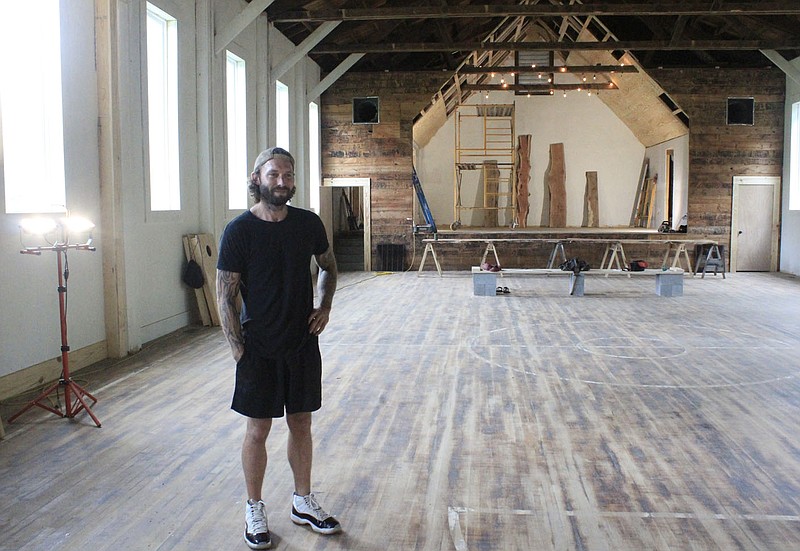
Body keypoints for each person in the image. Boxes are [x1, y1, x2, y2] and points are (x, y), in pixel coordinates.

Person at [216, 147, 341, 549]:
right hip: (259, 348)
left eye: (288, 174)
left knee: (301, 423)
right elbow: (224, 295)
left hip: (301, 343)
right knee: (258, 429)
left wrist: (324, 305)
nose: (282, 181)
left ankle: (302, 501)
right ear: (257, 179)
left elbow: (328, 265)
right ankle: (254, 507)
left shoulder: (307, 224)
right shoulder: (239, 231)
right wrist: (239, 351)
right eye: (274, 174)